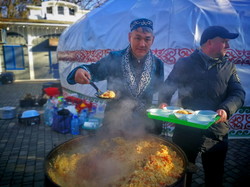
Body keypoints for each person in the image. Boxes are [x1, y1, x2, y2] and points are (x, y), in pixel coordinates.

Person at [159, 26, 245, 187]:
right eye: (224, 41)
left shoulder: (229, 67)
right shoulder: (184, 63)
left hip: (216, 132)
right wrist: (163, 101)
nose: (228, 46)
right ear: (210, 42)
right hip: (186, 129)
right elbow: (168, 86)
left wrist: (226, 108)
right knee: (181, 173)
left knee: (215, 176)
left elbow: (238, 93)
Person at [67, 18, 164, 135]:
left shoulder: (158, 64)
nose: (142, 44)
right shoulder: (114, 58)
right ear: (130, 37)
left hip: (143, 125)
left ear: (152, 40)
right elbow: (93, 70)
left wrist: (160, 115)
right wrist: (81, 70)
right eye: (137, 38)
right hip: (115, 122)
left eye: (147, 39)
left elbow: (161, 91)